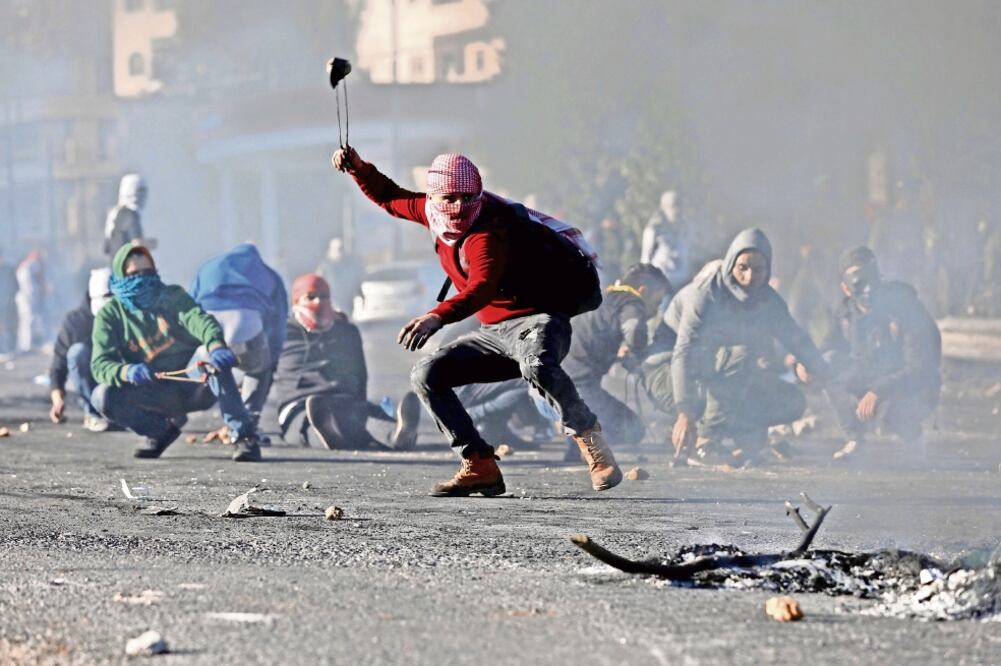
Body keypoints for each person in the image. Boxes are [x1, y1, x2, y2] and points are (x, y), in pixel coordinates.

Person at [333, 146, 621, 496]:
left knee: (537, 365)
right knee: (427, 375)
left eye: (467, 198)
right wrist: (359, 168)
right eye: (449, 198)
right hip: (494, 332)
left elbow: (481, 288)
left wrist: (436, 317)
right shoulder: (432, 211)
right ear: (434, 196)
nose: (457, 208)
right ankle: (479, 463)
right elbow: (390, 197)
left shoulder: (489, 232)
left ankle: (590, 437)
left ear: (479, 195)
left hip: (540, 321)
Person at [667, 228, 829, 465]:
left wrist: (822, 370)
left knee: (792, 400)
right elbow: (682, 353)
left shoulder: (767, 299)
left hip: (724, 373)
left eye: (759, 269)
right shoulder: (706, 294)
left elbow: (796, 338)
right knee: (742, 354)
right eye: (743, 267)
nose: (750, 276)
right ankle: (705, 437)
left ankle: (741, 433)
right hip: (676, 371)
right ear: (731, 264)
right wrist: (684, 411)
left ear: (768, 270)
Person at [90, 242, 262, 461]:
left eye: (147, 272)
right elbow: (100, 365)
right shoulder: (110, 315)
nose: (142, 279)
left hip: (193, 382)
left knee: (210, 357)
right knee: (101, 396)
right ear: (120, 276)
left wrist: (215, 344)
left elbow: (199, 319)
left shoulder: (171, 296)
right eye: (134, 274)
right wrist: (126, 371)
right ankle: (159, 431)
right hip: (152, 388)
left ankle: (244, 437)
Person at [273, 273, 421, 450]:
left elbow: (360, 374)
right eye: (311, 297)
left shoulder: (346, 330)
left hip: (342, 398)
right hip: (299, 403)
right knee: (308, 422)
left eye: (323, 296)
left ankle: (398, 434)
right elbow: (261, 372)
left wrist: (362, 404)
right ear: (296, 300)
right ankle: (327, 434)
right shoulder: (280, 332)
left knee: (365, 417)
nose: (318, 302)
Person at [822, 246, 941, 460]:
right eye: (859, 283)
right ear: (846, 288)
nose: (868, 289)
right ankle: (855, 438)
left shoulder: (906, 309)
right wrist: (803, 365)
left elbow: (921, 367)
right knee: (827, 363)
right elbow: (826, 349)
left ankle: (912, 437)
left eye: (872, 279)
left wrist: (879, 391)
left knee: (890, 413)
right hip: (872, 378)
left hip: (913, 387)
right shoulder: (845, 314)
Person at [562, 263, 672, 447]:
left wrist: (617, 353)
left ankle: (581, 439)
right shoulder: (631, 301)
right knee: (633, 429)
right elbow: (633, 329)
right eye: (657, 302)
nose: (657, 309)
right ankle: (584, 446)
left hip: (559, 381)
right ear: (643, 291)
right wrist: (640, 354)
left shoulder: (608, 296)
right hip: (577, 387)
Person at [190, 243, 288, 435]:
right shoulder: (269, 273)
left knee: (206, 367)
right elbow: (277, 324)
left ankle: (180, 410)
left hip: (209, 321)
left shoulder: (208, 266)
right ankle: (249, 418)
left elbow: (189, 306)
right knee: (259, 368)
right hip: (245, 322)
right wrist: (271, 359)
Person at [49, 268, 113, 431]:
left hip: (122, 381)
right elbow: (58, 364)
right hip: (95, 384)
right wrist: (58, 400)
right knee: (77, 353)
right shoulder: (75, 322)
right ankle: (94, 412)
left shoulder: (128, 314)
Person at [641, 190, 690, 286]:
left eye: (679, 205)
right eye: (673, 206)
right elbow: (646, 257)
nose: (676, 210)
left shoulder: (686, 226)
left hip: (683, 280)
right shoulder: (654, 228)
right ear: (664, 208)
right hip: (662, 281)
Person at [103, 174, 153, 256]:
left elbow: (106, 248)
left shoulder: (114, 215)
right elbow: (137, 243)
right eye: (141, 191)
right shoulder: (131, 215)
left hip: (116, 265)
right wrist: (151, 243)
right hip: (129, 265)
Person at [315, 238, 365, 314]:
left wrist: (360, 295)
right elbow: (316, 286)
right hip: (331, 306)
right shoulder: (324, 268)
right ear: (331, 250)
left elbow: (355, 283)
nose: (340, 252)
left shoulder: (349, 267)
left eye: (342, 249)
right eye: (338, 249)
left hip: (347, 305)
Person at [15, 249, 48, 352]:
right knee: (27, 321)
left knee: (28, 321)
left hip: (27, 297)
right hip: (26, 297)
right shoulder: (29, 266)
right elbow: (29, 285)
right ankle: (25, 346)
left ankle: (26, 344)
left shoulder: (25, 266)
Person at [0, 255, 17, 354]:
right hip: (8, 302)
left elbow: (16, 286)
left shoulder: (9, 270)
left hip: (8, 303)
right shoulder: (9, 269)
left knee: (10, 326)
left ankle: (9, 349)